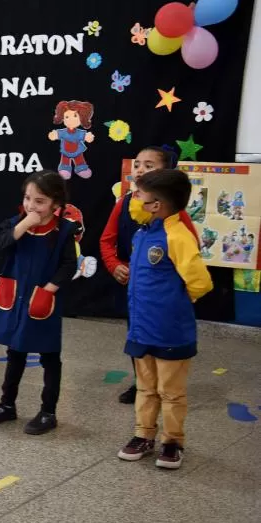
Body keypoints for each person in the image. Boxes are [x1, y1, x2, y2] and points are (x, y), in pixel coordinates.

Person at [116, 169, 212, 469]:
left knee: (171, 392)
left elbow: (200, 282)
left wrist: (175, 305)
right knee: (145, 388)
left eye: (139, 196)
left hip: (170, 331)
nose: (134, 201)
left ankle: (173, 441)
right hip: (141, 329)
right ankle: (143, 435)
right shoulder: (143, 234)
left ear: (156, 204)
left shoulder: (178, 236)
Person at [0, 171, 79, 435]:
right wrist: (24, 225)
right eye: (27, 198)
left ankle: (48, 411)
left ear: (55, 204)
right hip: (16, 300)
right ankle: (7, 404)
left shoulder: (63, 231)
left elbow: (69, 264)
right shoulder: (15, 224)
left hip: (42, 301)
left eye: (39, 201)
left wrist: (49, 289)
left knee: (50, 357)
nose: (31, 206)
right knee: (15, 353)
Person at [99, 146, 197, 404]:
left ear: (165, 173)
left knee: (161, 338)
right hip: (134, 291)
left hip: (161, 295)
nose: (140, 169)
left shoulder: (178, 217)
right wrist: (114, 265)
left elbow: (191, 254)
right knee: (137, 335)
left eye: (149, 165)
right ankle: (141, 382)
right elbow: (107, 241)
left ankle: (165, 386)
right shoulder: (123, 205)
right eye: (138, 164)